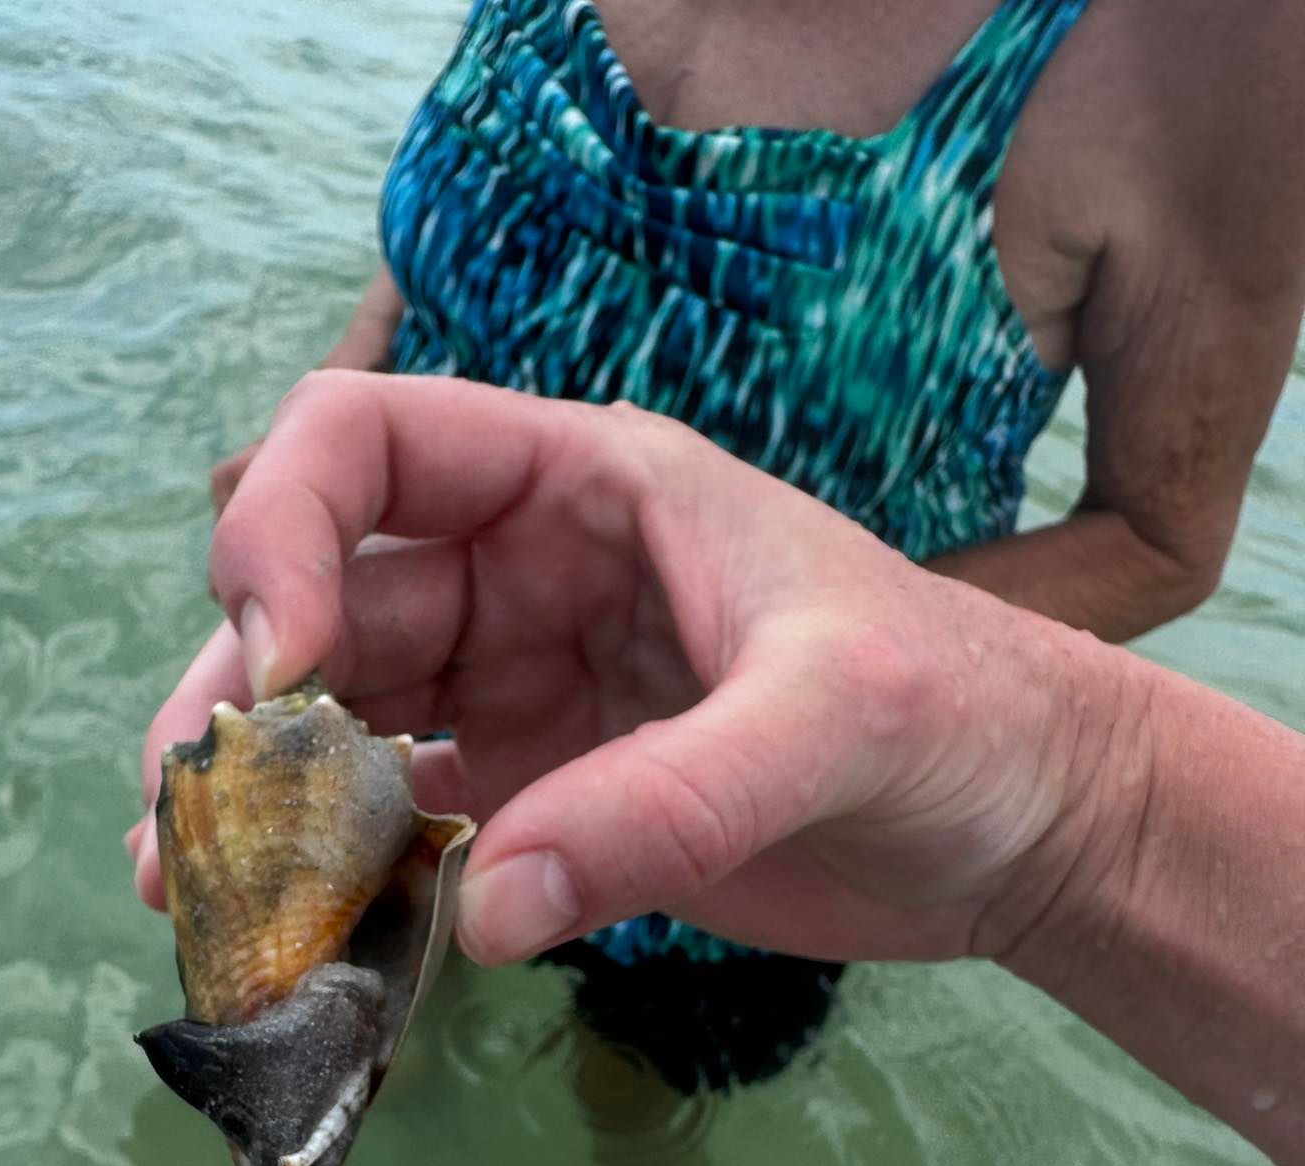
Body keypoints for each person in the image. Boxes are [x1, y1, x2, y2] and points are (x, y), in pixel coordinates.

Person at [178, 0, 1305, 1094]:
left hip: (756, 794)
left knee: (637, 1105)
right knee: (369, 1034)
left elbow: (1162, 536)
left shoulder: (1206, 36)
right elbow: (480, 168)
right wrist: (343, 384)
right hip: (416, 675)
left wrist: (815, 677)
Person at [135, 372, 1305, 1166]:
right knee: (417, 988)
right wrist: (320, 416)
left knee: (639, 1083)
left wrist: (1017, 739)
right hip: (493, 678)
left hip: (771, 762)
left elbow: (1166, 535)